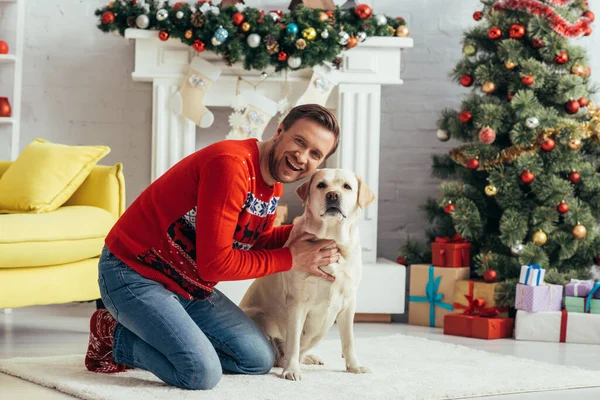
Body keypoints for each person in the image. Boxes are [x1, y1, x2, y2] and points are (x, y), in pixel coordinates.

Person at [84, 104, 341, 390]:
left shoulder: (273, 183)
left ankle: (173, 334)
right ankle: (113, 337)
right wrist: (292, 258)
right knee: (199, 373)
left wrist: (303, 233)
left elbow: (252, 243)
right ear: (280, 131)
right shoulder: (231, 166)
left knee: (257, 359)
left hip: (188, 285)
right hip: (134, 273)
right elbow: (215, 265)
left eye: (315, 154)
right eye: (299, 141)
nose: (302, 156)